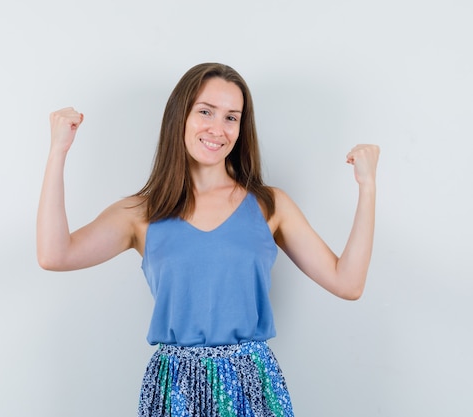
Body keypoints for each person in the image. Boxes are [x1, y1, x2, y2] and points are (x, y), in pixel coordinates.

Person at [37, 62, 380, 417]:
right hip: (175, 389)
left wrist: (367, 187)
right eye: (205, 112)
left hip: (252, 385)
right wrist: (58, 151)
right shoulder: (141, 212)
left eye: (232, 117)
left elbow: (347, 283)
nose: (218, 129)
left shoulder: (268, 205)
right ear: (179, 116)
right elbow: (54, 255)